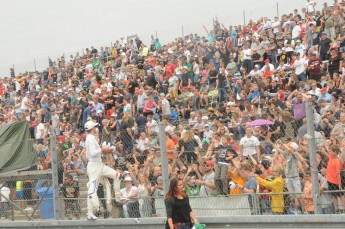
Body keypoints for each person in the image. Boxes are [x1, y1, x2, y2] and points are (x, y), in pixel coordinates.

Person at [84, 120, 121, 220]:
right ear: (92, 129)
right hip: (94, 166)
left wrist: (104, 150)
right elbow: (92, 153)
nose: (97, 128)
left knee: (117, 175)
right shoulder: (90, 138)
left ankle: (117, 197)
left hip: (99, 164)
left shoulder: (90, 138)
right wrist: (102, 150)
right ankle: (90, 212)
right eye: (95, 127)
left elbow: (94, 152)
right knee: (92, 188)